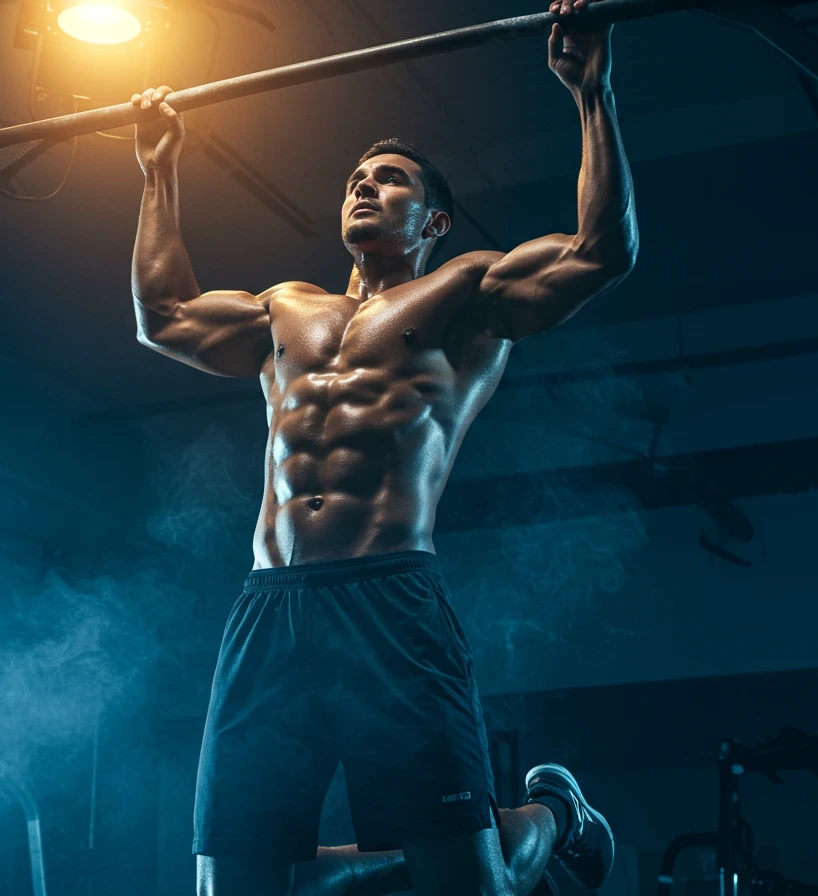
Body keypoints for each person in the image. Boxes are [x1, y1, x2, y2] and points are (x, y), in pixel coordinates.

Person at [129, 0, 637, 892]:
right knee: (232, 884)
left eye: (392, 179)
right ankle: (437, 845)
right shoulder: (285, 306)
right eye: (358, 178)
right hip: (270, 607)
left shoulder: (466, 293)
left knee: (466, 887)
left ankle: (550, 819)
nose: (365, 186)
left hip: (390, 603)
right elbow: (163, 318)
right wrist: (158, 168)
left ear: (435, 220)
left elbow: (602, 252)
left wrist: (590, 93)